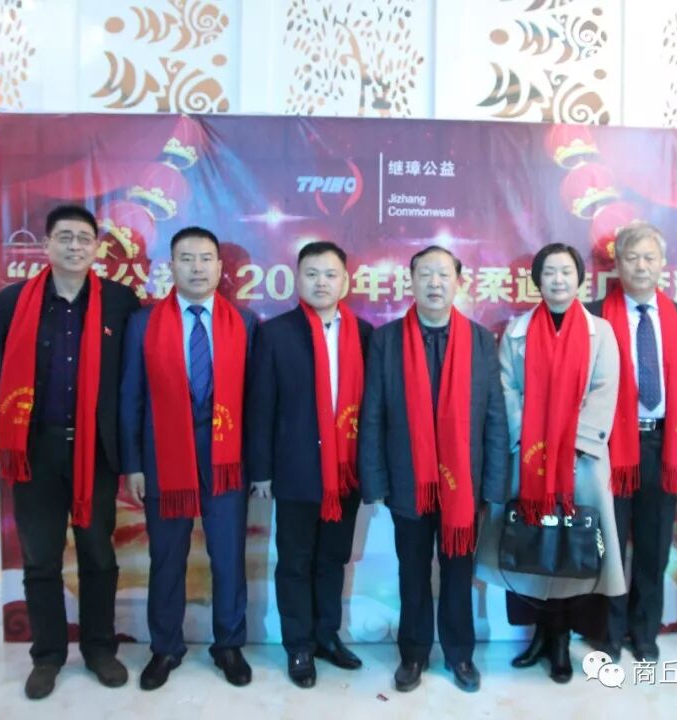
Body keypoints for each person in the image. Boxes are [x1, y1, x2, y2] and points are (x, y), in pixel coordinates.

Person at [0, 204, 140, 699]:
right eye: (65, 237)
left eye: (84, 238)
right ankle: (48, 656)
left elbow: (129, 380)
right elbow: (3, 367)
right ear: (47, 245)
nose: (75, 246)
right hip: (36, 449)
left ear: (97, 247)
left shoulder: (120, 302)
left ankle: (99, 649)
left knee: (98, 553)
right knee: (41, 559)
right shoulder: (14, 301)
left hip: (95, 451)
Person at [358, 245, 508, 693]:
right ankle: (413, 655)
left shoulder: (480, 340)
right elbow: (373, 415)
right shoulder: (386, 340)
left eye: (443, 274)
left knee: (459, 574)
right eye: (425, 274)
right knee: (412, 572)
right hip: (409, 481)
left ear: (459, 282)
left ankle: (460, 655)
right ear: (412, 281)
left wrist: (494, 485)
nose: (435, 283)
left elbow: (494, 416)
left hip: (465, 485)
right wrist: (375, 481)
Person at [476, 242, 623, 684]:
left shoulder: (601, 332)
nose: (558, 280)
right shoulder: (517, 332)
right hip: (530, 458)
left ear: (580, 279)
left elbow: (604, 391)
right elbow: (506, 389)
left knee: (573, 548)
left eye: (566, 272)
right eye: (550, 272)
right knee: (531, 545)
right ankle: (539, 635)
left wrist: (568, 443)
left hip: (580, 461)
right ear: (537, 280)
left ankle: (561, 642)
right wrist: (533, 439)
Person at [120, 227, 257, 690]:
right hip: (164, 457)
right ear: (171, 266)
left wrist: (257, 465)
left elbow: (255, 401)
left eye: (205, 259)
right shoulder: (143, 324)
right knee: (166, 557)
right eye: (186, 259)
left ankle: (229, 645)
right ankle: (165, 648)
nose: (197, 268)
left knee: (228, 556)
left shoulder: (245, 324)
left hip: (226, 458)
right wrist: (133, 464)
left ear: (220, 267)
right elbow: (131, 397)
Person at [245, 241, 373, 688]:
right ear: (297, 279)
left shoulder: (365, 335)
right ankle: (298, 645)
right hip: (296, 467)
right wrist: (261, 470)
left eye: (330, 274)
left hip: (346, 471)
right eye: (312, 274)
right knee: (295, 561)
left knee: (333, 559)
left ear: (345, 281)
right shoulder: (276, 333)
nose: (321, 282)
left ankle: (326, 636)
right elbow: (261, 405)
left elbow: (375, 410)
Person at [584, 222, 677, 663]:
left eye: (650, 257)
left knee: (654, 547)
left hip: (663, 446)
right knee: (609, 547)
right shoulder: (594, 315)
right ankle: (608, 633)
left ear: (663, 263)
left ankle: (645, 632)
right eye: (632, 258)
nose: (641, 266)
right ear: (617, 263)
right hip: (611, 447)